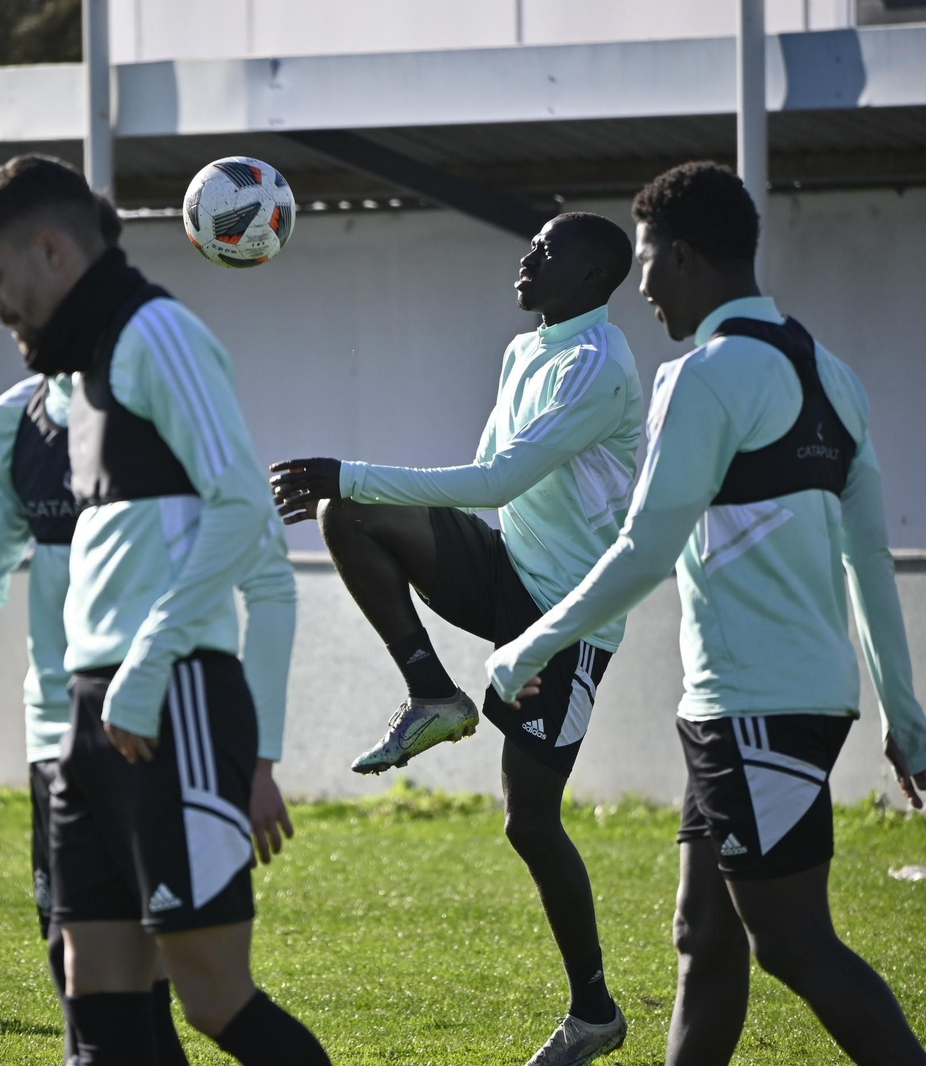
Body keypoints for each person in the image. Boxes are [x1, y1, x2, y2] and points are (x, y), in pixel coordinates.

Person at [486, 161, 926, 1066]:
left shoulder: (700, 376)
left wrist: (527, 646)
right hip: (773, 700)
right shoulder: (833, 375)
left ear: (685, 257)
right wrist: (902, 713)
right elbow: (868, 559)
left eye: (647, 261)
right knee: (705, 941)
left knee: (792, 943)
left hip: (754, 707)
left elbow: (644, 550)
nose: (642, 287)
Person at [0, 173, 301, 1065]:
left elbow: (242, 510)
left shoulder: (159, 333)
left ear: (52, 249)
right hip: (87, 715)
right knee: (100, 1022)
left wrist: (150, 671)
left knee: (214, 1003)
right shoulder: (73, 380)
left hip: (172, 702)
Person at [270, 212, 642, 1066]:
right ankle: (433, 692)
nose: (528, 256)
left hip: (567, 616)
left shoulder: (597, 365)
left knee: (529, 823)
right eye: (532, 244)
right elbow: (484, 485)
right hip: (506, 568)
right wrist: (352, 487)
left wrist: (352, 468)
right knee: (345, 512)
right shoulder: (525, 350)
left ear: (592, 279)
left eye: (548, 250)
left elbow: (497, 479)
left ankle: (595, 1014)